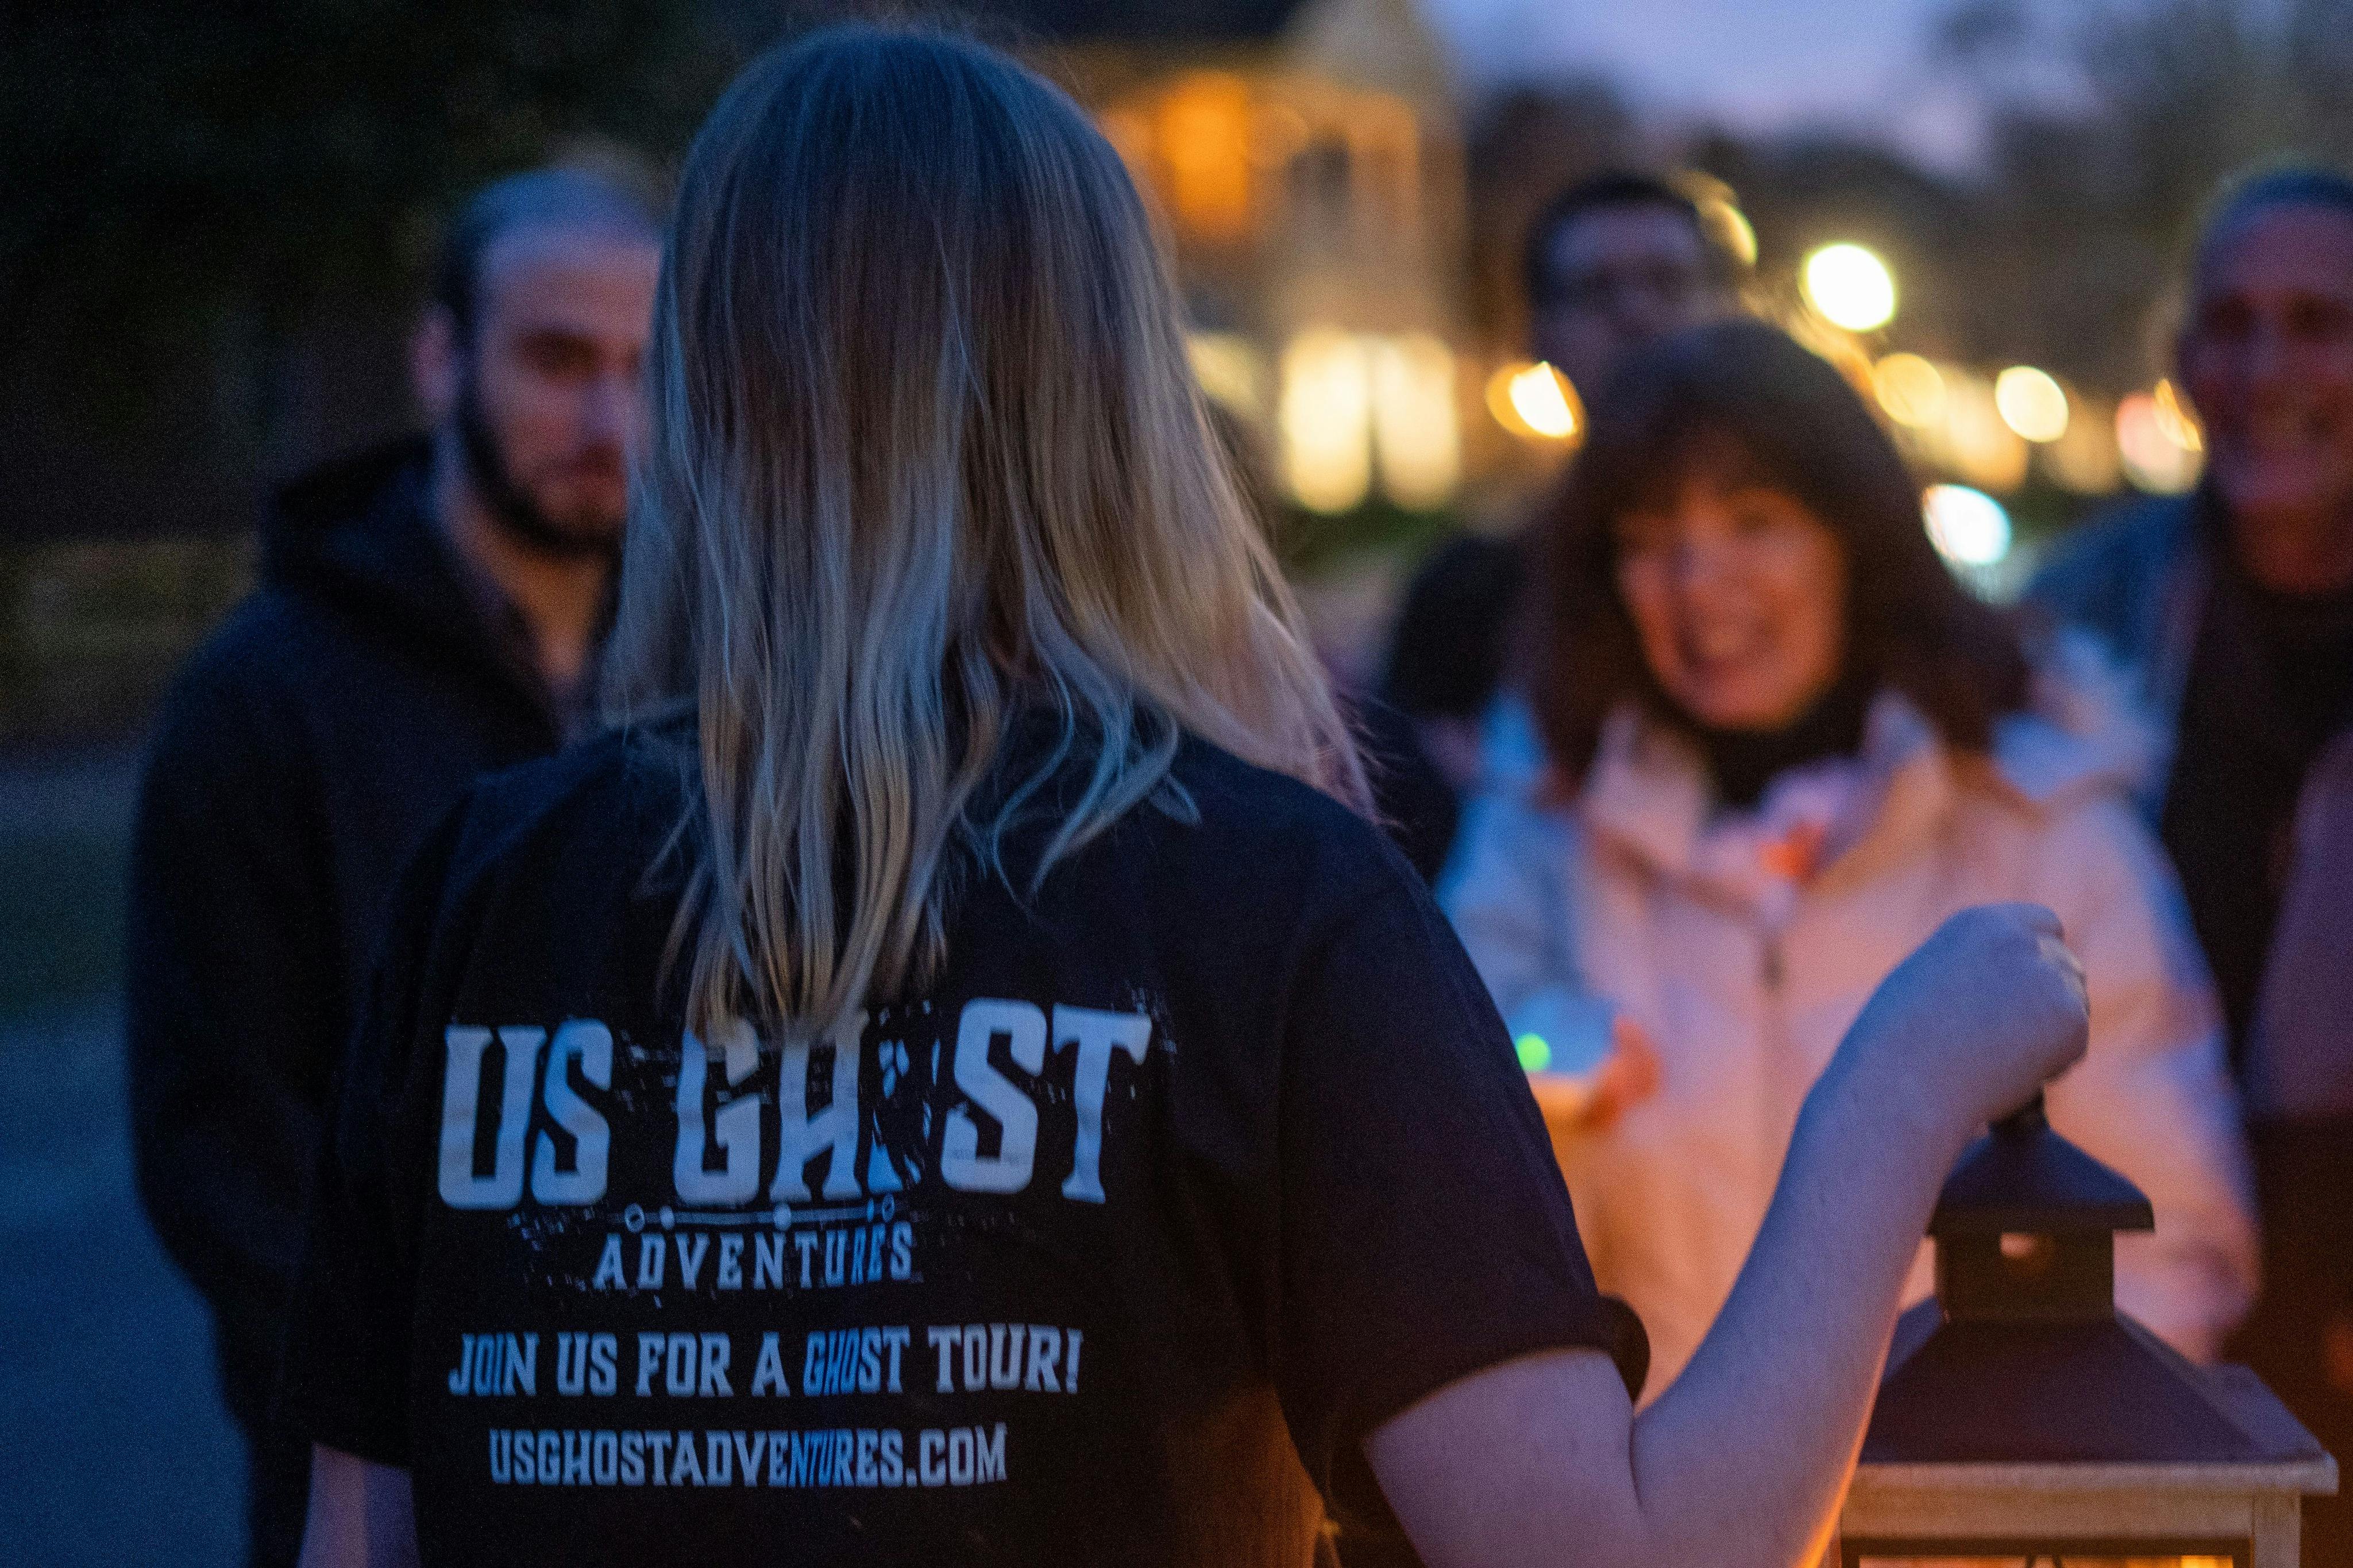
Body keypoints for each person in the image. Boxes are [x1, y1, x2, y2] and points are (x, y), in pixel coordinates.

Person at [284, 29, 2094, 1568]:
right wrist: (1899, 1088)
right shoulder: (1264, 909)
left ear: (707, 386)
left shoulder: (492, 886)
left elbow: (358, 1531)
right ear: (1112, 394)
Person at [1441, 319, 2257, 1395]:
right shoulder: (1545, 826)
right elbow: (1450, 1220)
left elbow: (2169, 1240)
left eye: (1754, 522)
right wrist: (1553, 1067)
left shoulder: (2037, 828)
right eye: (1648, 539)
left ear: (1852, 544)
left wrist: (1997, 1514)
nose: (1697, 580)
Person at [126, 164, 664, 1566]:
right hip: (384, 1491)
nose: (610, 421)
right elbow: (218, 1140)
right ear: (440, 359)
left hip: (682, 1466)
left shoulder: (714, 688)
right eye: (557, 359)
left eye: (648, 370)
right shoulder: (267, 700)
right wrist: (425, 1383)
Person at [2027, 164, 2353, 1563]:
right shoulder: (2079, 616)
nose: (2267, 365)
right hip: (2144, 1246)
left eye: (2317, 321)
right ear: (2181, 362)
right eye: (2229, 323)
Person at [1370, 172, 1741, 878]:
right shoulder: (1465, 595)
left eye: (1667, 283)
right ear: (1539, 334)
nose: (1635, 315)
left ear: (1721, 309)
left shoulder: (1821, 565)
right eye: (1597, 291)